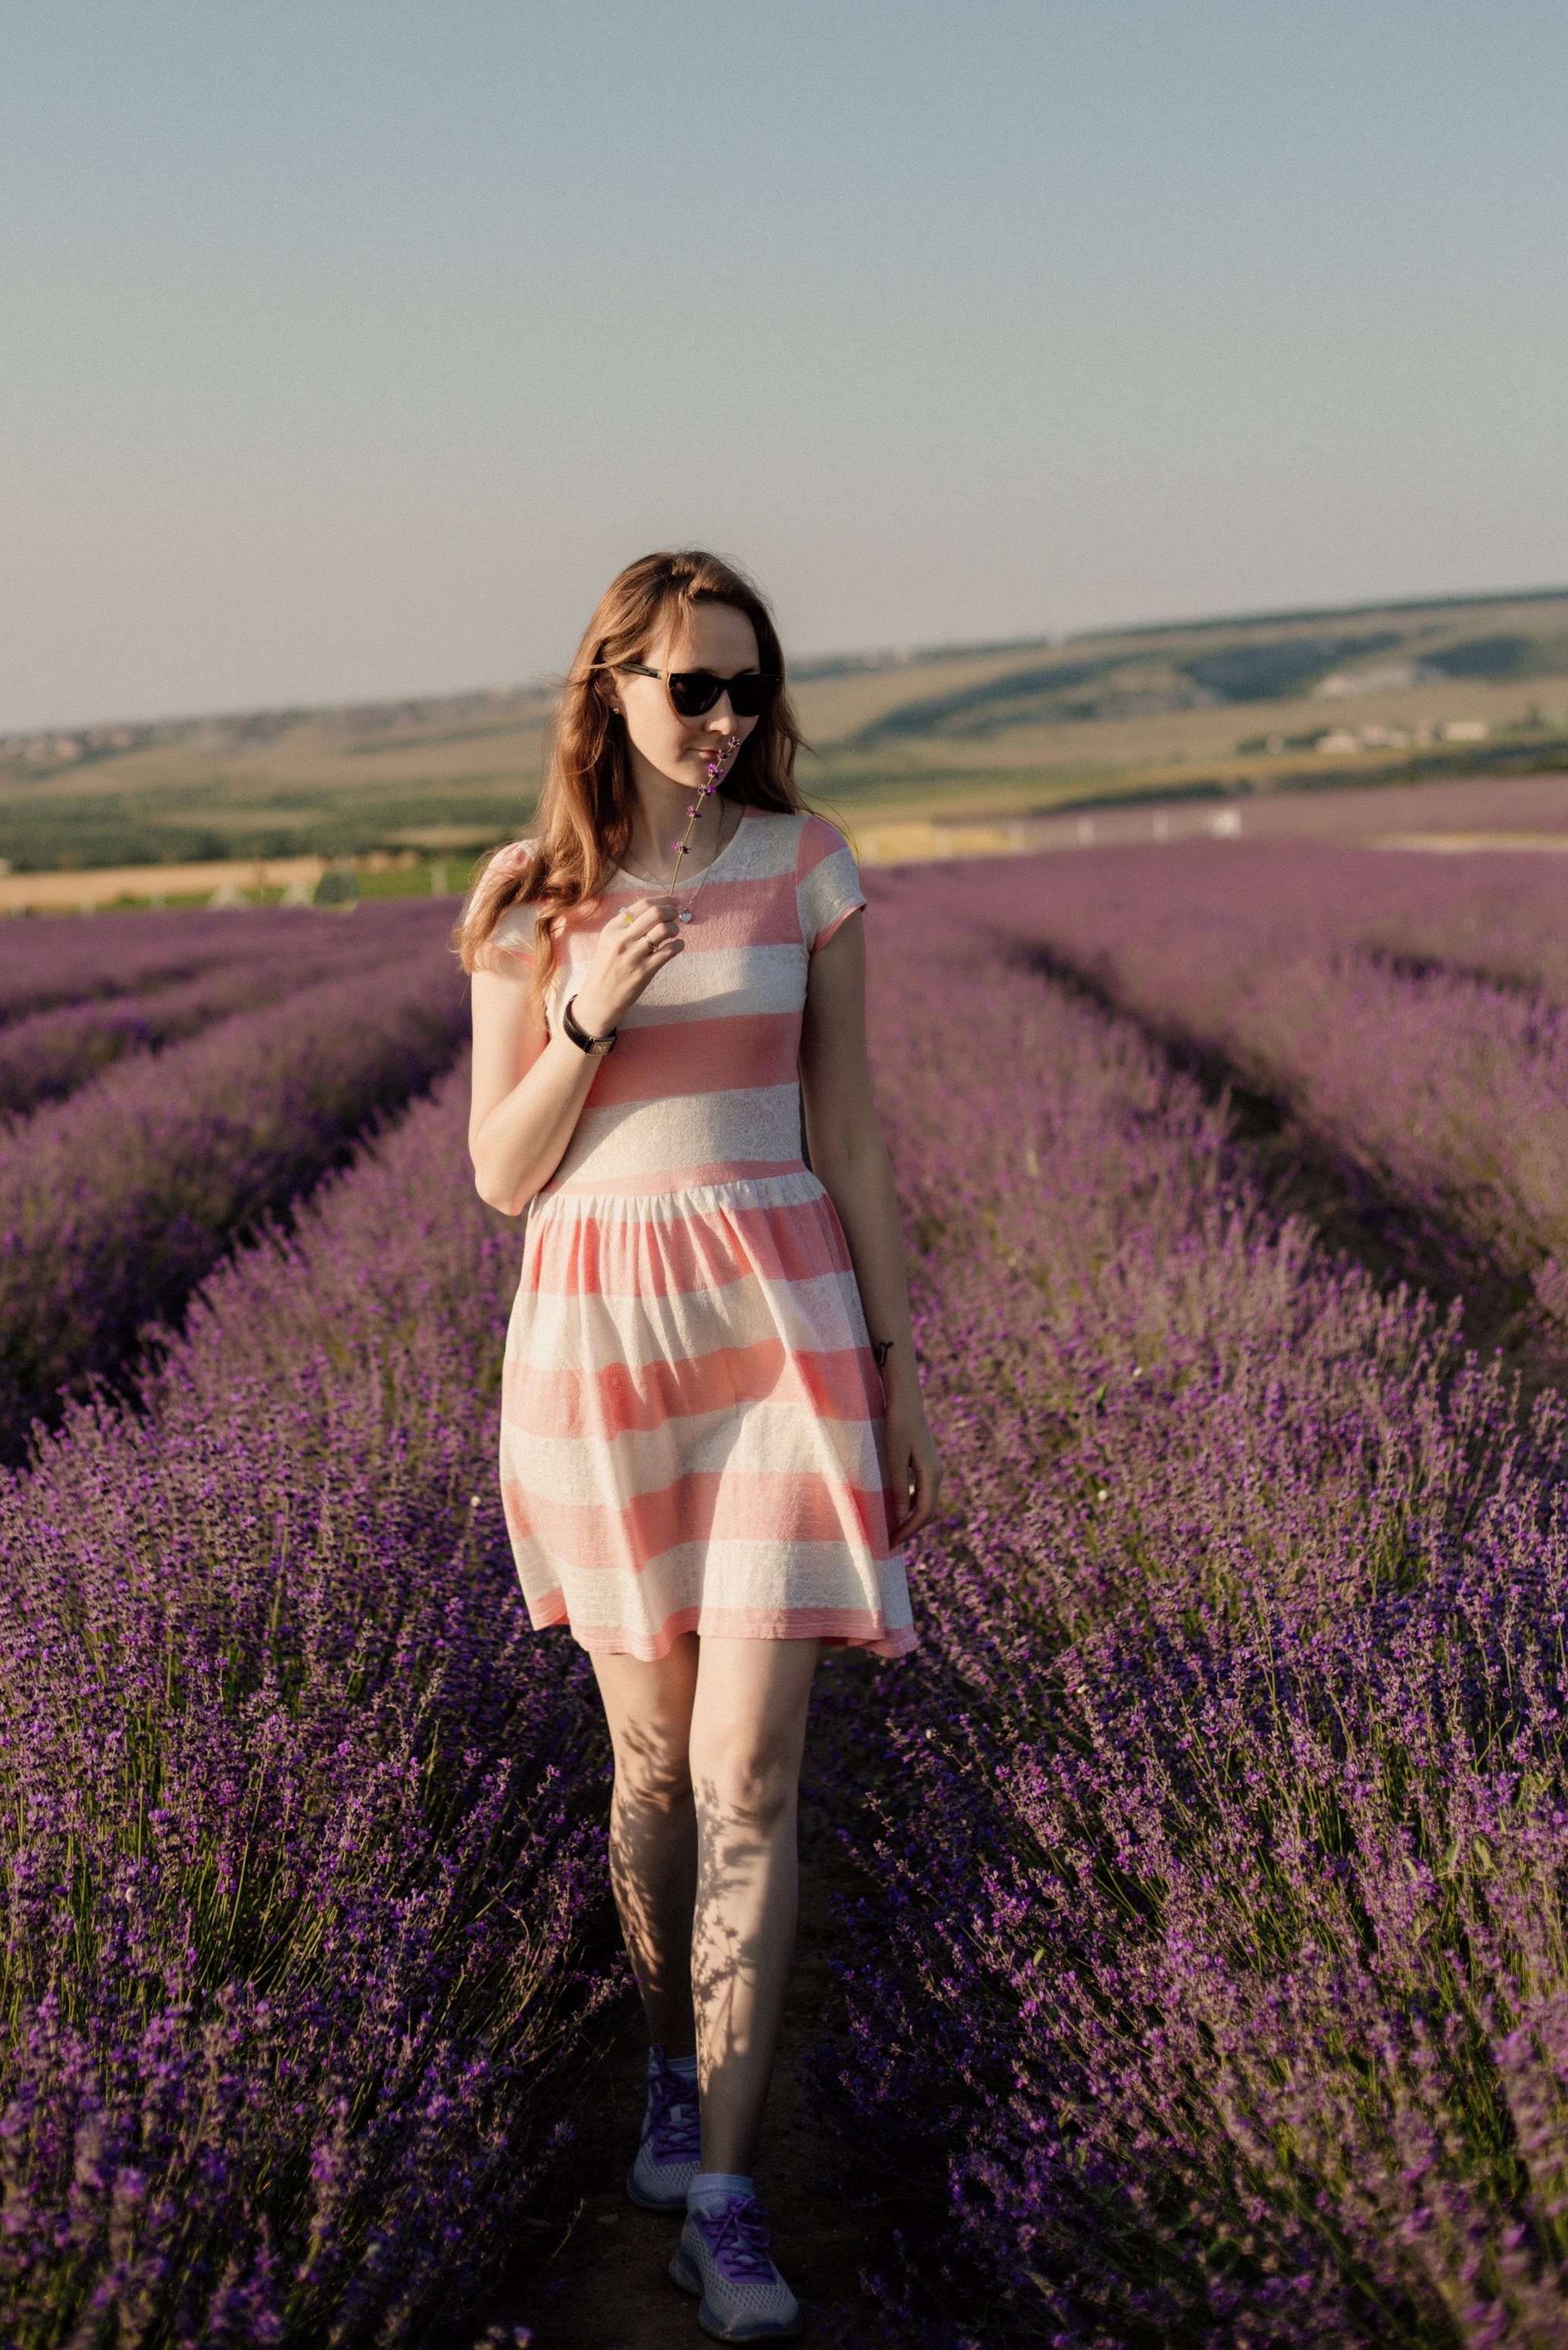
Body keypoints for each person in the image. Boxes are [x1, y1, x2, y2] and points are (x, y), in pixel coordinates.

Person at [459, 547, 942, 2342]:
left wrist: (895, 1371)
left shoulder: (805, 868)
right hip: (595, 1344)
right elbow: (503, 1179)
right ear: (609, 693)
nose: (728, 721)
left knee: (749, 1777)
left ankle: (722, 2199)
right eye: (692, 689)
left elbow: (855, 1132)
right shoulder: (527, 897)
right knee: (649, 1773)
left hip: (777, 1337)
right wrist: (588, 1004)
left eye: (749, 689)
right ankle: (666, 2069)